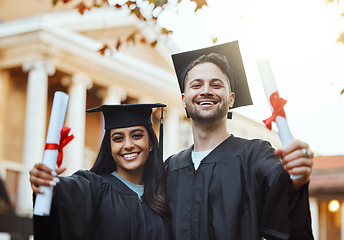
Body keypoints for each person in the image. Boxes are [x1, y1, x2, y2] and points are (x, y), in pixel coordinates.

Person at [166, 41, 314, 240]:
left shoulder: (254, 155)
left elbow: (280, 184)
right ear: (184, 99)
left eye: (216, 84)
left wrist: (295, 179)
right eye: (196, 85)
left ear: (232, 99)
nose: (206, 90)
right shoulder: (170, 168)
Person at [30, 103, 172, 240]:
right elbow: (66, 193)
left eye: (136, 135)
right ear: (109, 148)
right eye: (118, 139)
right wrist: (48, 184)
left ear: (151, 143)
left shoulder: (165, 193)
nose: (128, 145)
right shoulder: (94, 187)